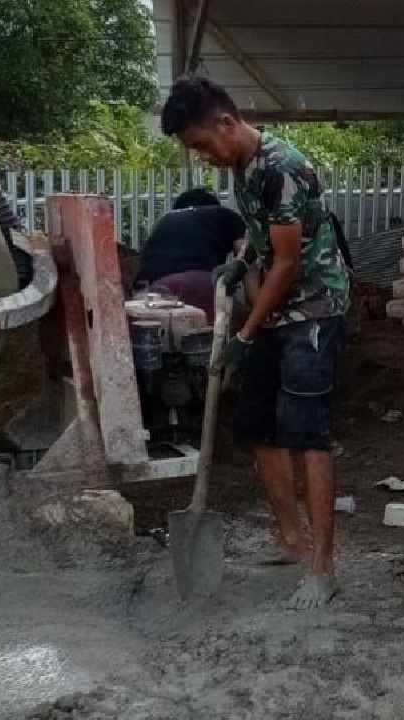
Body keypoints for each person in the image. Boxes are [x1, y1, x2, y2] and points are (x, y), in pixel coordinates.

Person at [160, 77, 351, 610]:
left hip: (314, 310)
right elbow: (264, 238)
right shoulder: (243, 168)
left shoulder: (282, 166)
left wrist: (245, 332)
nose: (203, 157)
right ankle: (292, 541)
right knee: (257, 426)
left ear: (226, 122)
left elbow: (288, 264)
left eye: (201, 144)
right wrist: (242, 259)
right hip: (275, 307)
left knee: (307, 435)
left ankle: (323, 567)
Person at [134, 188, 245, 321]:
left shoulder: (165, 219)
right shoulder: (225, 215)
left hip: (154, 291)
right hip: (202, 282)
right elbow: (245, 259)